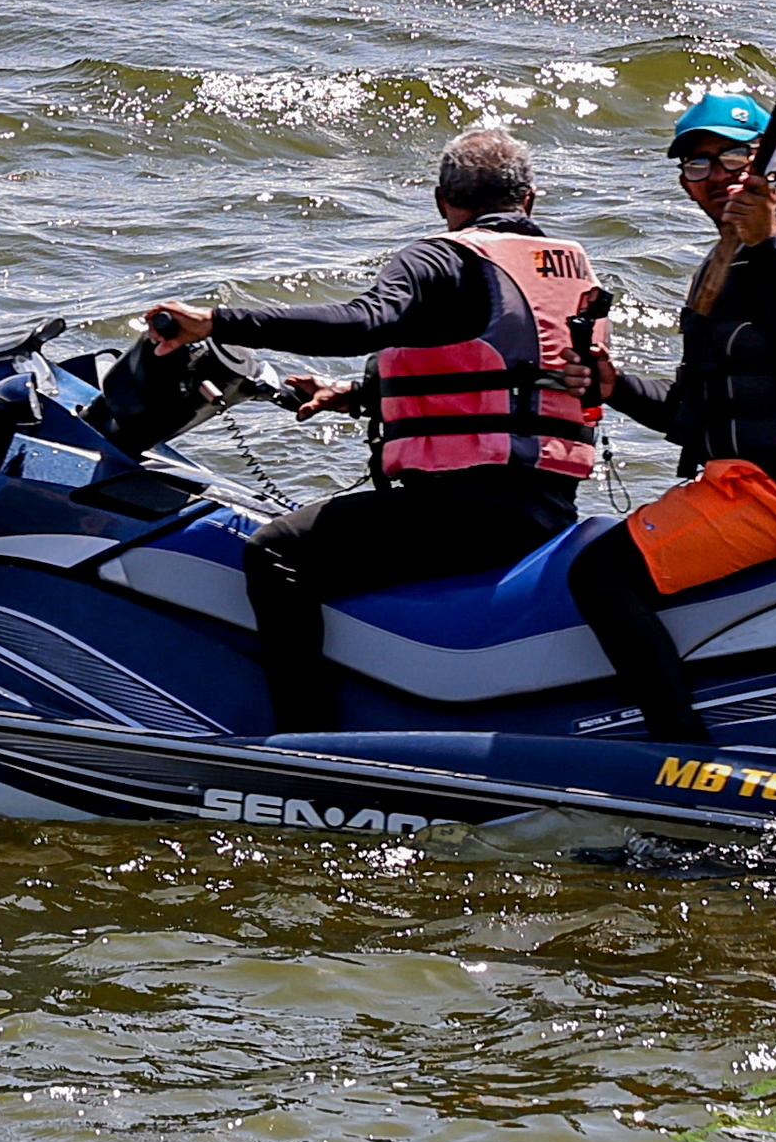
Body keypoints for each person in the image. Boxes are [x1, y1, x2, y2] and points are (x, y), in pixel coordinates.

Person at [142, 127, 610, 735]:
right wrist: (358, 395)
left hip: (464, 512)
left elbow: (365, 322)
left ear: (443, 201)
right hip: (544, 507)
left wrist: (217, 322)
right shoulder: (567, 271)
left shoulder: (442, 256)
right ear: (530, 200)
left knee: (275, 550)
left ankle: (301, 741)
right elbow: (516, 376)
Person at [568, 91, 776, 745]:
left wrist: (766, 240)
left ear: (768, 164)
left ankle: (677, 749)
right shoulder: (723, 264)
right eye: (696, 165)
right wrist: (614, 384)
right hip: (746, 487)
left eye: (732, 158)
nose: (714, 177)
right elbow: (696, 417)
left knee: (600, 577)